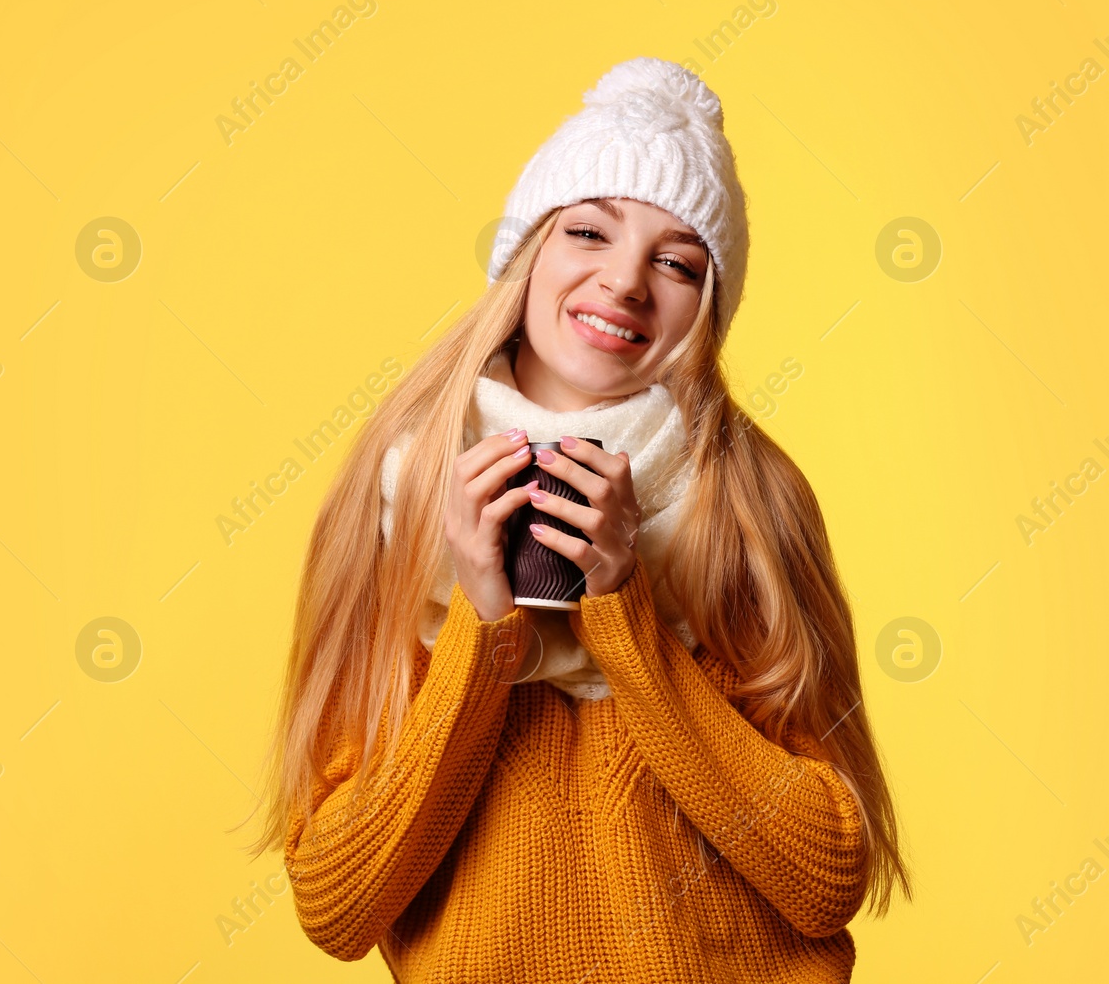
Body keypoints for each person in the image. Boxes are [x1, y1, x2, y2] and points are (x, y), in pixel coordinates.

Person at [242, 57, 912, 982]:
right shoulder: (398, 488)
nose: (626, 282)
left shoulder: (749, 503)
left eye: (676, 261)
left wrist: (628, 610)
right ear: (528, 253)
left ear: (707, 307)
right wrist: (483, 630)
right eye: (588, 231)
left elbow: (826, 876)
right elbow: (338, 904)